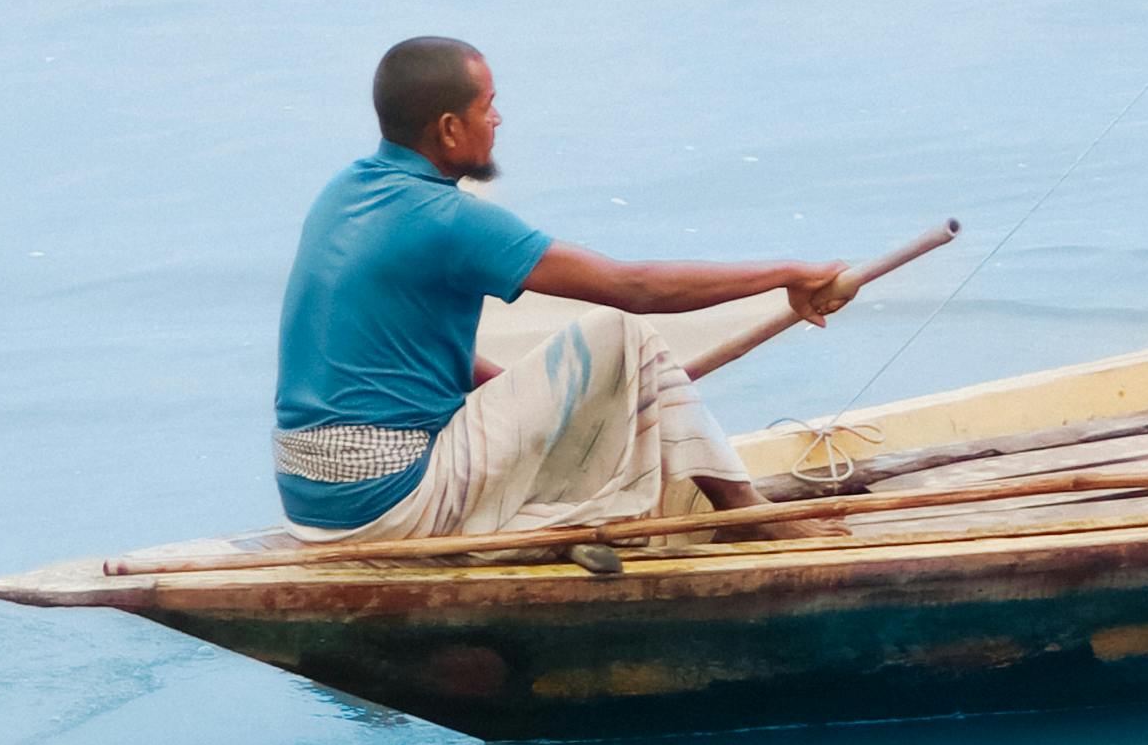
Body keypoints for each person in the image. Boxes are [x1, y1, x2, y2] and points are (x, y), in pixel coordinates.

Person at [272, 36, 856, 547]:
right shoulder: (447, 218)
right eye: (488, 106)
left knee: (585, 391)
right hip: (388, 500)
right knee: (622, 335)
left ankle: (547, 519)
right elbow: (634, 289)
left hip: (311, 503)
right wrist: (787, 275)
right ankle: (744, 511)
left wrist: (561, 406)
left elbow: (407, 348)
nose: (497, 120)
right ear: (449, 129)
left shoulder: (344, 191)